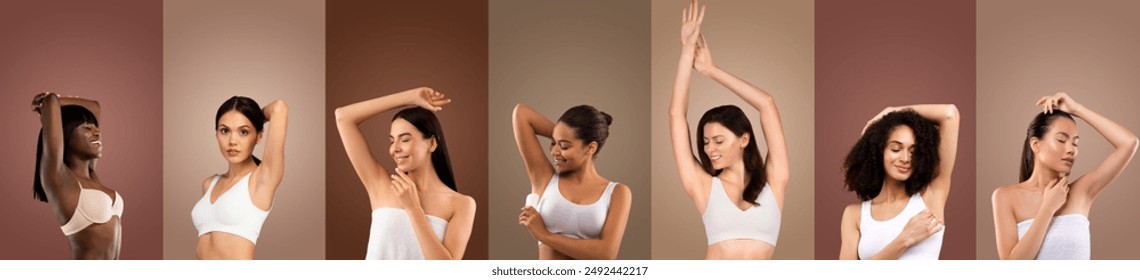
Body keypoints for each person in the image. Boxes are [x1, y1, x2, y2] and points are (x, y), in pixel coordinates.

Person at [667, 0, 790, 260]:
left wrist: (710, 70)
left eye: (719, 141)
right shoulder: (703, 186)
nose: (709, 149)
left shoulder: (774, 180)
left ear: (744, 139)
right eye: (706, 142)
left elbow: (766, 104)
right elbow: (676, 115)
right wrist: (687, 51)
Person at [992, 92, 1138, 260]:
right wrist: (1047, 208)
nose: (1071, 150)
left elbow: (1129, 143)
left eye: (1075, 143)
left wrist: (1077, 109)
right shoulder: (1005, 197)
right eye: (1061, 140)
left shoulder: (1082, 192)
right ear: (1035, 144)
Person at [335, 87, 475, 260]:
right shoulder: (380, 185)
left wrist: (413, 208)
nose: (395, 149)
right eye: (392, 141)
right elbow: (343, 117)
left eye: (405, 139)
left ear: (431, 143)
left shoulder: (462, 204)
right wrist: (411, 97)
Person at [838, 104, 960, 260]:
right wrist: (905, 239)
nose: (905, 159)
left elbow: (950, 114)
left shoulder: (930, 198)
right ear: (878, 151)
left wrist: (891, 111)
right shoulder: (854, 215)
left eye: (913, 152)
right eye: (896, 149)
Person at [513, 103, 632, 260]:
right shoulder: (544, 178)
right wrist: (562, 136)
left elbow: (606, 253)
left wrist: (545, 235)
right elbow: (521, 114)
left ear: (590, 148)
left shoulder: (618, 193)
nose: (554, 151)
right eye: (553, 143)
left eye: (564, 146)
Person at [192, 96, 288, 259]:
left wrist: (257, 117)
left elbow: (279, 108)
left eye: (244, 132)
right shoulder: (209, 184)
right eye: (225, 131)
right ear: (216, 134)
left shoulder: (262, 180)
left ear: (258, 136)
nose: (232, 141)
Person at [31, 92, 121, 259]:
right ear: (65, 137)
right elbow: (51, 101)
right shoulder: (58, 178)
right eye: (87, 128)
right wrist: (48, 102)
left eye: (96, 128)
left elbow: (95, 106)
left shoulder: (91, 175)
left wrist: (58, 102)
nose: (97, 133)